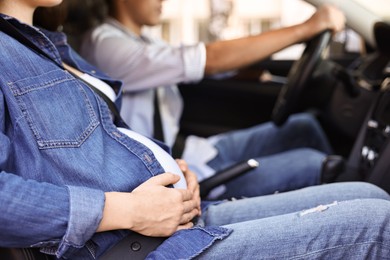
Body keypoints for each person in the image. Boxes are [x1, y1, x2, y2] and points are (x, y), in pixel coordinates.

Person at [1, 1, 390, 259]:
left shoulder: (46, 47)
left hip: (176, 216)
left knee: (368, 194)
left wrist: (167, 166)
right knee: (379, 226)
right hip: (136, 244)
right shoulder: (84, 44)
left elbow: (99, 141)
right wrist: (128, 209)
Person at [78, 0, 345, 199]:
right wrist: (307, 28)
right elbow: (207, 59)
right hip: (179, 177)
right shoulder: (104, 44)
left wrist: (248, 73)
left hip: (194, 151)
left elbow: (195, 63)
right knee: (313, 163)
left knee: (304, 127)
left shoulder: (142, 40)